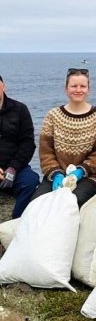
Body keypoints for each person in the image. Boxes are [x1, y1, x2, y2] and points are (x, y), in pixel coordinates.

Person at [31, 68, 96, 207]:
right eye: (74, 86)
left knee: (70, 203)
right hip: (57, 175)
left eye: (83, 86)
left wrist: (80, 171)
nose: (78, 90)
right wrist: (56, 173)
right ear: (66, 89)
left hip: (89, 177)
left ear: (88, 89)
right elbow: (46, 152)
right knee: (37, 204)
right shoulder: (53, 116)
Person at [0, 74, 40, 218]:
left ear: (3, 86)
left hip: (15, 168)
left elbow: (28, 143)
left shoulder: (20, 109)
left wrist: (13, 168)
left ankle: (15, 225)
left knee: (31, 182)